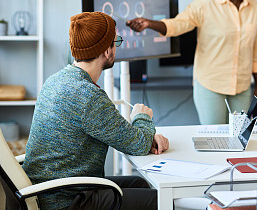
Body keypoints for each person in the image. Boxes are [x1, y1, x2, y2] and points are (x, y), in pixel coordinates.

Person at [22, 12, 169, 210]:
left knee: (140, 184)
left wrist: (146, 136)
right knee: (162, 202)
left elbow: (134, 140)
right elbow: (138, 144)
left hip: (46, 190)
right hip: (66, 200)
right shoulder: (88, 96)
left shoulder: (55, 80)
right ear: (106, 51)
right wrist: (142, 117)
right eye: (115, 41)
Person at [126, 0, 257, 125]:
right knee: (216, 141)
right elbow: (177, 24)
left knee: (241, 140)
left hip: (242, 86)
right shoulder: (204, 5)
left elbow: (256, 48)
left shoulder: (253, 7)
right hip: (210, 85)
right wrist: (149, 23)